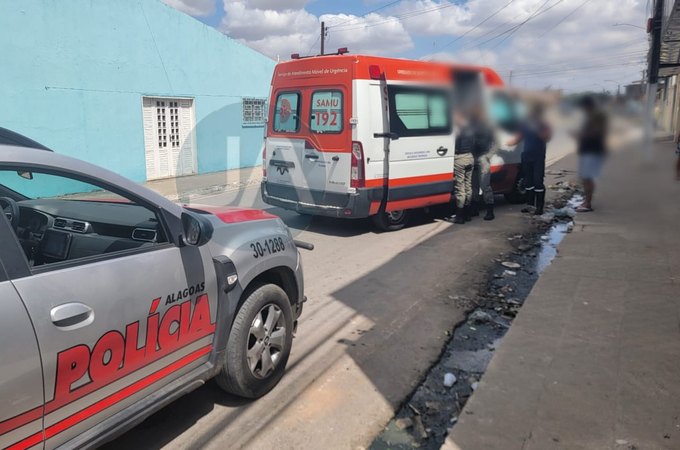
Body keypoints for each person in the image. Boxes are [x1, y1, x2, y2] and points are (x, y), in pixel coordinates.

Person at [508, 103, 552, 215]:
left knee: (538, 182)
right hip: (526, 156)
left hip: (538, 156)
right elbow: (519, 137)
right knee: (528, 182)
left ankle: (539, 207)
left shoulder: (543, 124)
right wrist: (505, 145)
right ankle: (530, 205)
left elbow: (547, 137)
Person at [575, 96, 607, 212]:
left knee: (587, 177)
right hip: (587, 150)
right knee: (585, 177)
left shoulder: (597, 117)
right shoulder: (590, 117)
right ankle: (586, 201)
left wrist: (581, 135)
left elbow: (596, 133)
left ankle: (588, 203)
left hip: (593, 150)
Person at [470, 106, 496, 221]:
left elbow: (497, 143)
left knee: (485, 185)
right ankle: (474, 209)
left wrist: (488, 155)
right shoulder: (471, 125)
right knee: (473, 186)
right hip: (472, 158)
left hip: (483, 158)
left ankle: (490, 211)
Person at [452, 111, 475, 224]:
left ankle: (459, 216)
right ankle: (468, 214)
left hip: (460, 158)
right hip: (470, 157)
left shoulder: (458, 129)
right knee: (468, 186)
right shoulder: (470, 128)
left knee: (460, 187)